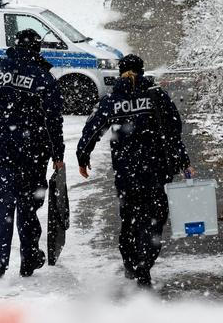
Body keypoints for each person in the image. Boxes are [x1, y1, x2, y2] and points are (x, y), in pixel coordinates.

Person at [75, 54, 193, 289]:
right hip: (155, 172)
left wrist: (83, 156)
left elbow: (92, 128)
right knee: (153, 220)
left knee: (129, 218)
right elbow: (173, 130)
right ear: (142, 71)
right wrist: (183, 161)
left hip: (126, 173)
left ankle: (130, 262)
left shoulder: (112, 100)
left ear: (120, 73)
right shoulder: (156, 96)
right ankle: (144, 265)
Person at [0, 29, 65, 284]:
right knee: (28, 206)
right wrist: (58, 154)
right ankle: (29, 259)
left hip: (0, 148)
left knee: (4, 206)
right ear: (37, 50)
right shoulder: (43, 77)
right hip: (33, 151)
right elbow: (54, 120)